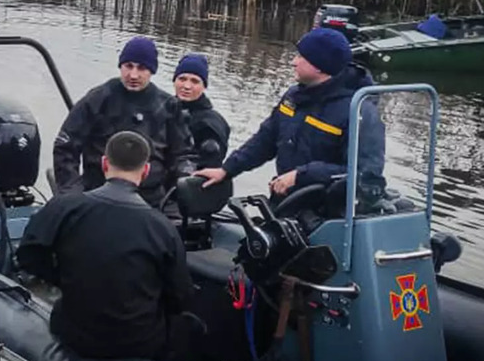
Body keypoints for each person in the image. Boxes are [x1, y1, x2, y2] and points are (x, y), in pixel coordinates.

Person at [17, 131, 197, 361]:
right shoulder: (162, 228)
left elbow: (28, 255)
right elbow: (181, 296)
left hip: (74, 334)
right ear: (145, 171)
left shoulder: (64, 207)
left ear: (104, 164)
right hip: (140, 343)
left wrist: (65, 278)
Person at [194, 28, 387, 218]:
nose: (293, 62)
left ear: (319, 65)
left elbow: (365, 176)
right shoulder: (294, 97)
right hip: (287, 203)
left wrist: (300, 175)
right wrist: (227, 170)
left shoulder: (360, 113)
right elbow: (265, 140)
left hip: (327, 215)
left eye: (300, 57)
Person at [52, 36, 195, 220]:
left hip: (150, 200)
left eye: (141, 68)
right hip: (99, 195)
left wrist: (178, 197)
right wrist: (72, 193)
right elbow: (65, 147)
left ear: (152, 71)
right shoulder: (99, 99)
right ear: (120, 66)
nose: (133, 75)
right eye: (128, 66)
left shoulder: (168, 106)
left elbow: (183, 156)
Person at [172, 53, 230, 169]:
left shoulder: (211, 124)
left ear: (204, 86)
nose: (187, 86)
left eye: (195, 81)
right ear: (174, 81)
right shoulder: (162, 109)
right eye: (182, 79)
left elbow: (211, 164)